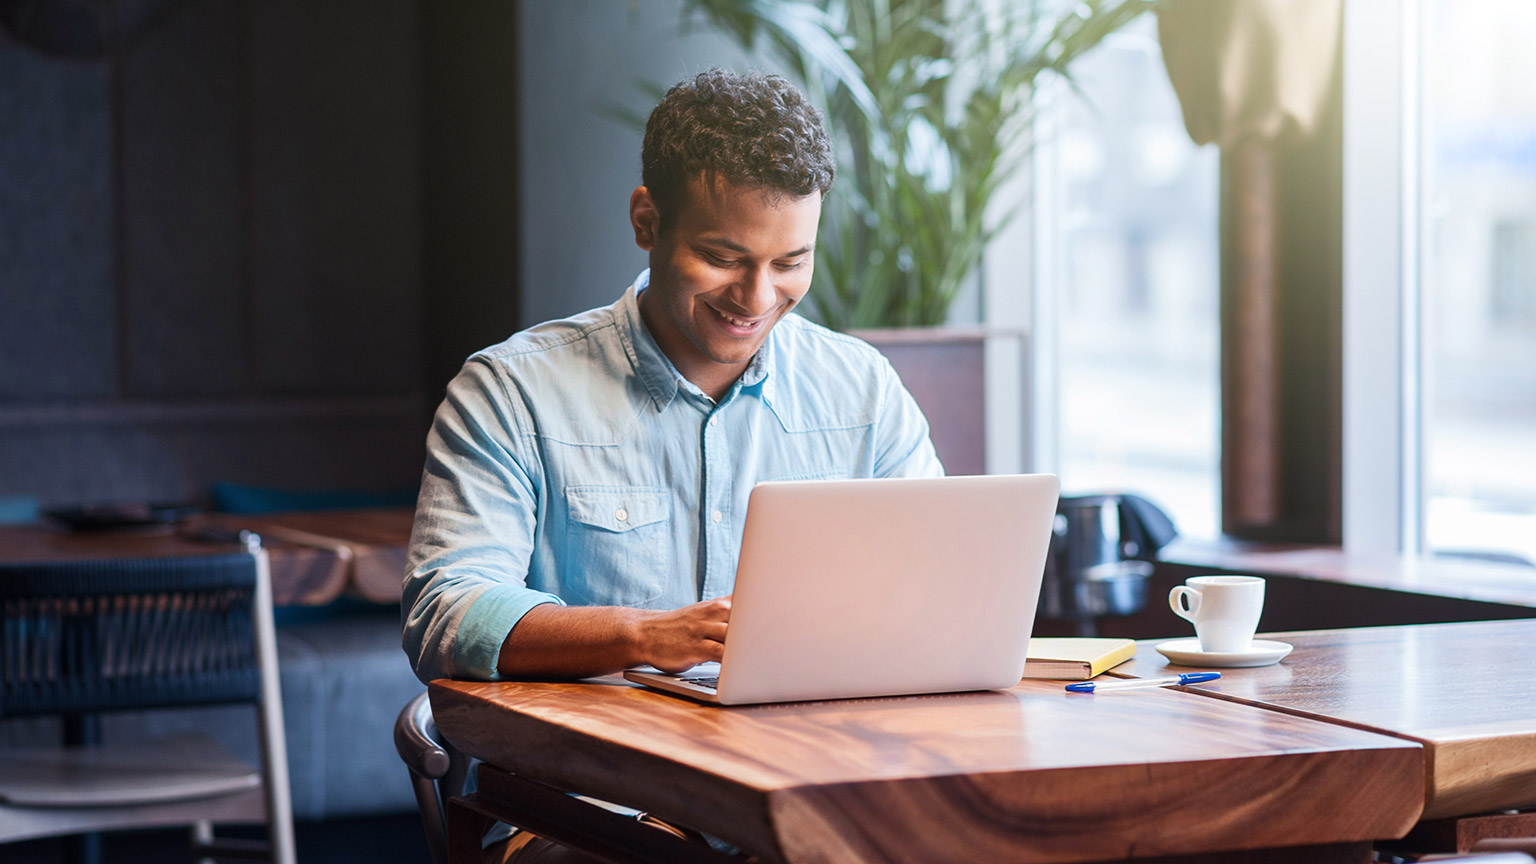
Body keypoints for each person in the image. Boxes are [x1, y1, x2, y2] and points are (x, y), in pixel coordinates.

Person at [401, 68, 943, 861]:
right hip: (583, 814)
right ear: (646, 220)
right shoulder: (514, 391)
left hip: (814, 796)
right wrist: (647, 635)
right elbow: (446, 613)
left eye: (791, 262)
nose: (757, 297)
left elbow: (937, 592)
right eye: (724, 257)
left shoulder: (861, 390)